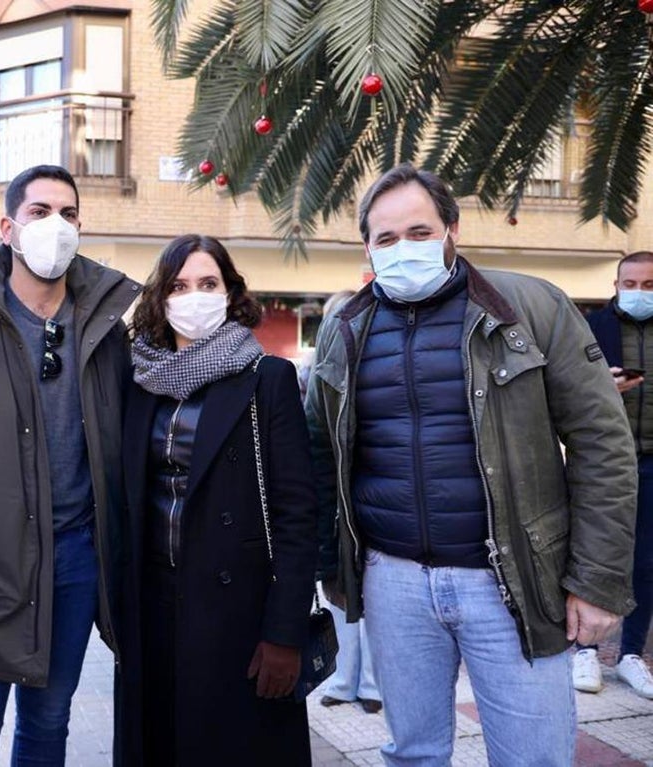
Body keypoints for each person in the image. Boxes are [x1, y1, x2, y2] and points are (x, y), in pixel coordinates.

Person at [306, 164, 637, 766]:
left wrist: (596, 582)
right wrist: (334, 570)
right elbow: (319, 456)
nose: (402, 248)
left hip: (512, 583)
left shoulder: (531, 307)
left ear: (451, 229)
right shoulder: (344, 327)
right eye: (385, 238)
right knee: (413, 755)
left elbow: (602, 445)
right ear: (366, 247)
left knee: (533, 759)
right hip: (394, 582)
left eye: (419, 231)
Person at [0, 164, 139, 766]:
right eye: (40, 213)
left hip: (74, 561)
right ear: (9, 228)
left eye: (68, 214)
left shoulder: (106, 329)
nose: (56, 226)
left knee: (47, 728)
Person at [116, 234, 318, 765]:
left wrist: (285, 631)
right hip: (153, 605)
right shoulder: (137, 382)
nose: (195, 297)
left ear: (230, 293)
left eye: (208, 283)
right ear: (160, 298)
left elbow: (298, 513)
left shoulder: (267, 379)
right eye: (180, 286)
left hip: (240, 614)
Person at [575, 251, 653, 698]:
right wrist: (602, 384)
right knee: (595, 553)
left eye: (648, 284)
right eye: (631, 283)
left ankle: (630, 655)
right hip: (603, 460)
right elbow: (561, 387)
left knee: (645, 561)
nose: (638, 292)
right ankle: (585, 649)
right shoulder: (591, 327)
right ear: (616, 283)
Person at [303, 290, 383, 715]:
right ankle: (342, 676)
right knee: (336, 598)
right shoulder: (310, 378)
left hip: (371, 507)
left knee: (370, 602)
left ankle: (372, 683)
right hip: (332, 507)